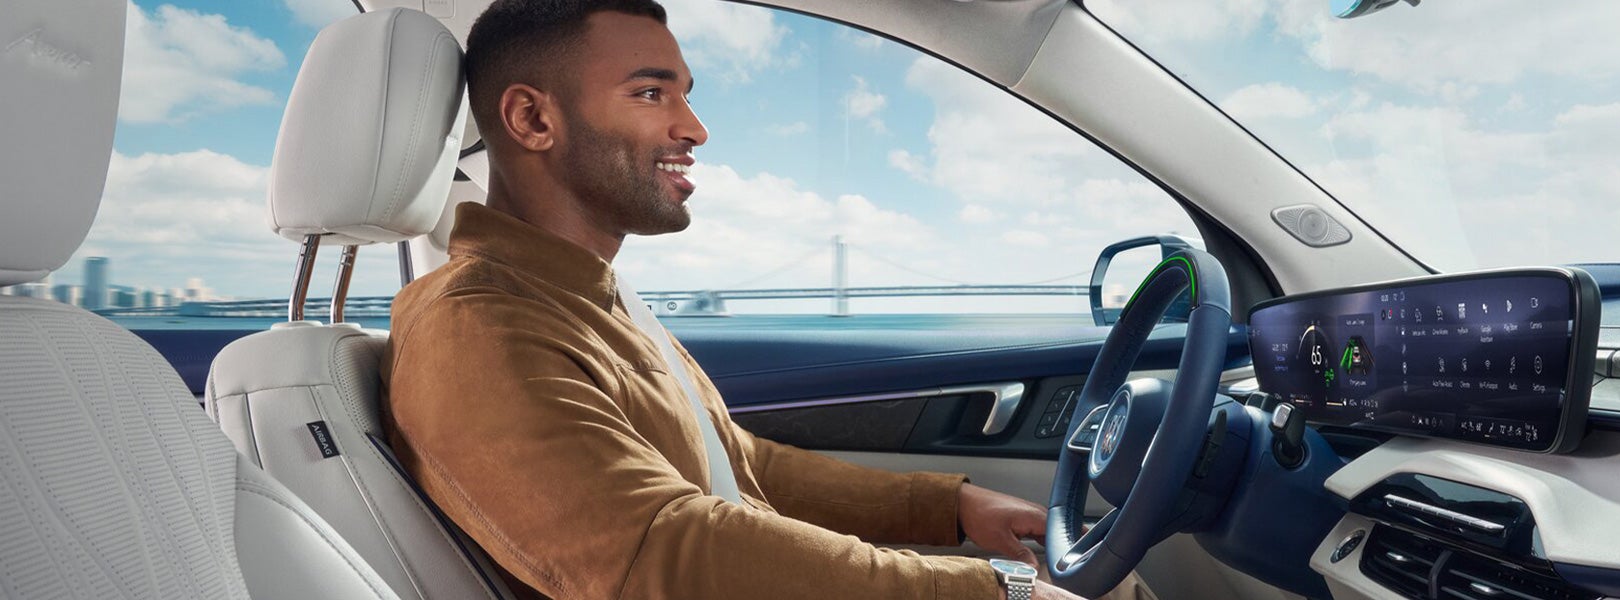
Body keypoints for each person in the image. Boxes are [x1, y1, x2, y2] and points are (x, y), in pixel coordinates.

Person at [382, 2, 1153, 599]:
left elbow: (735, 463)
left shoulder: (587, 296)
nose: (696, 128)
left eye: (684, 94)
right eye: (652, 93)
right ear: (532, 119)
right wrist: (993, 587)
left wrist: (949, 509)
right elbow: (664, 555)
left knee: (1098, 574)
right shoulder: (476, 325)